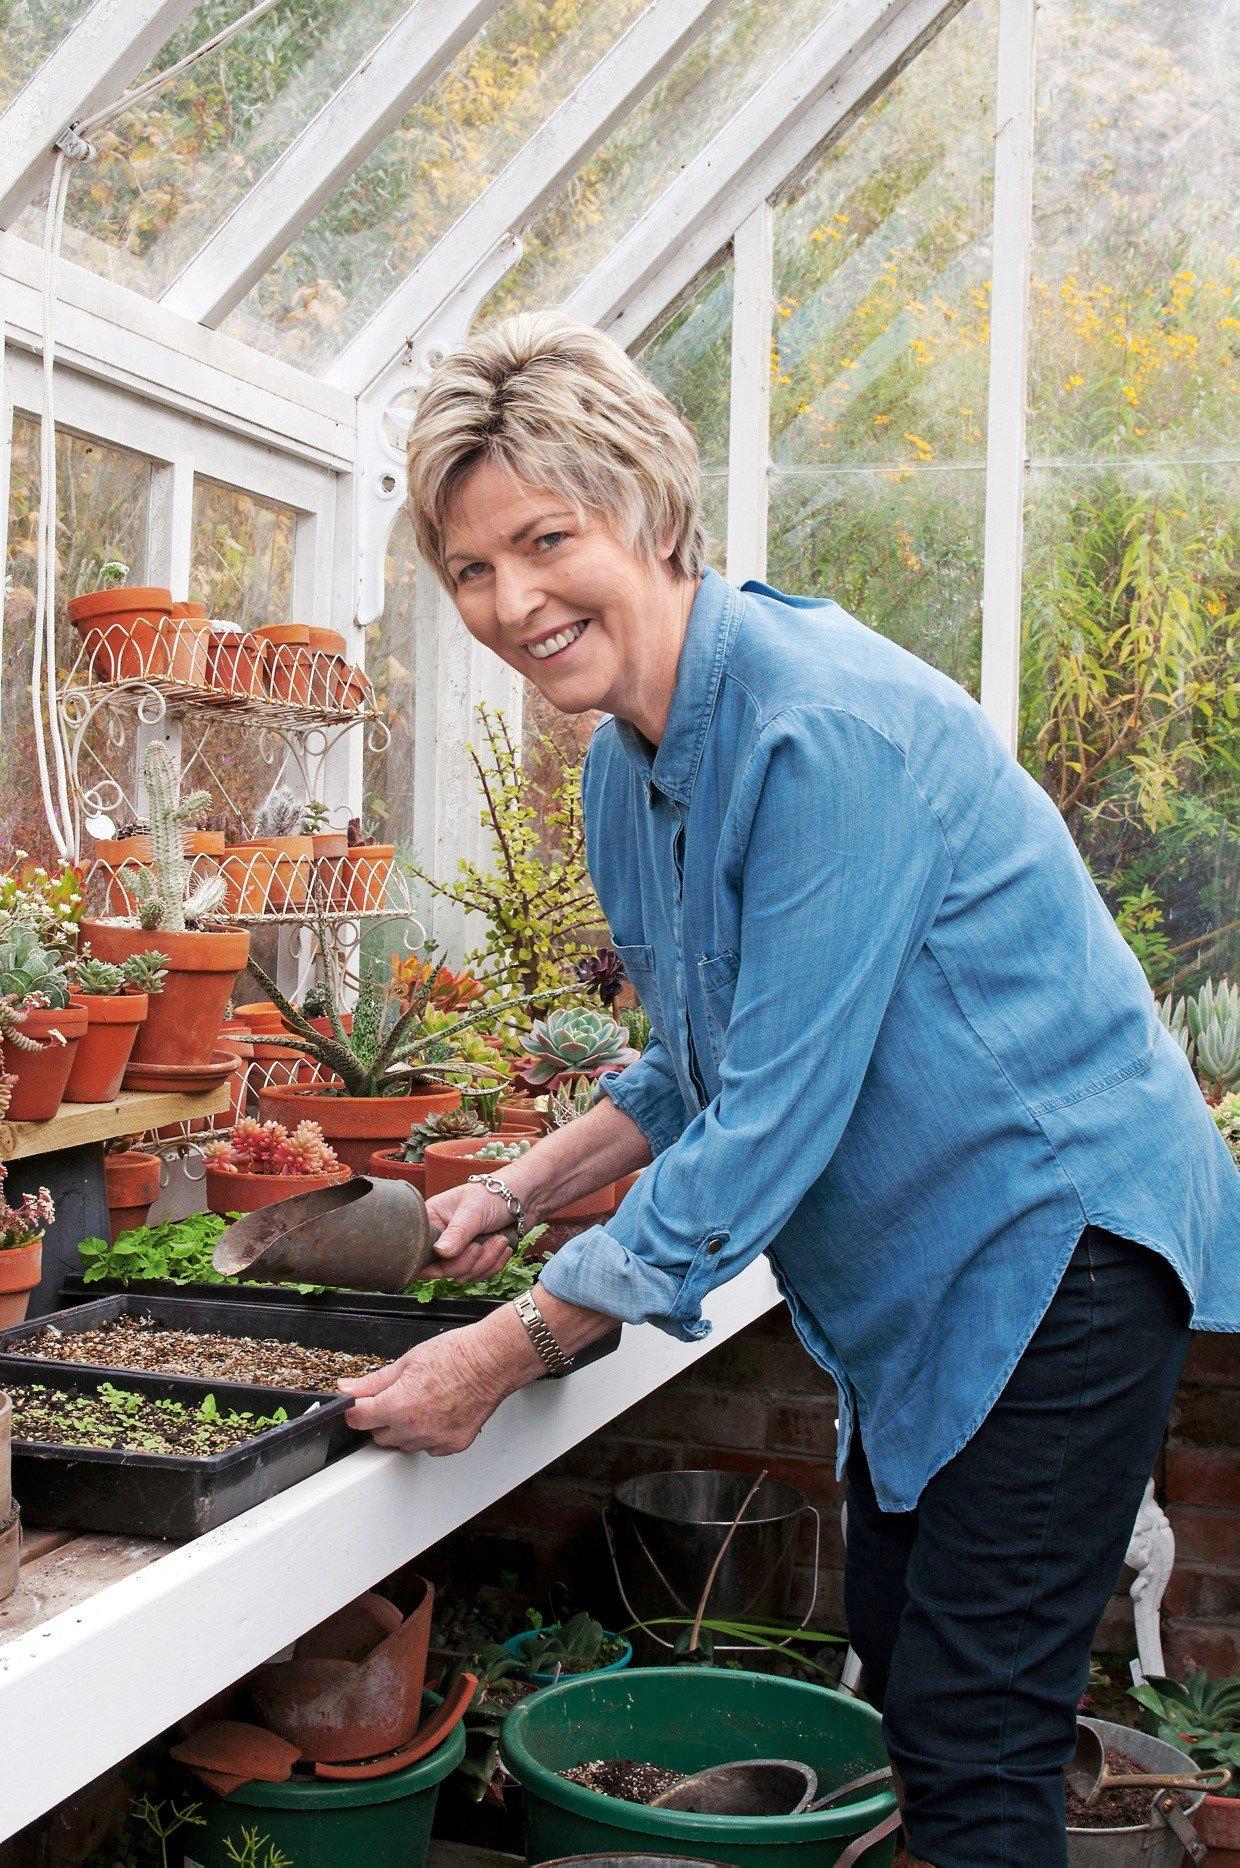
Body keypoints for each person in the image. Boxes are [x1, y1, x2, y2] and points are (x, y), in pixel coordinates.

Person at [339, 311, 1237, 1867]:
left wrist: (508, 1347)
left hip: (1061, 1240)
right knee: (902, 1651)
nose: (511, 603)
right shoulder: (627, 765)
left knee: (974, 1732)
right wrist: (513, 1189)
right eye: (471, 569)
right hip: (930, 1269)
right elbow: (699, 1059)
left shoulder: (820, 732)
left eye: (547, 541)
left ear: (652, 513)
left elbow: (772, 1120)